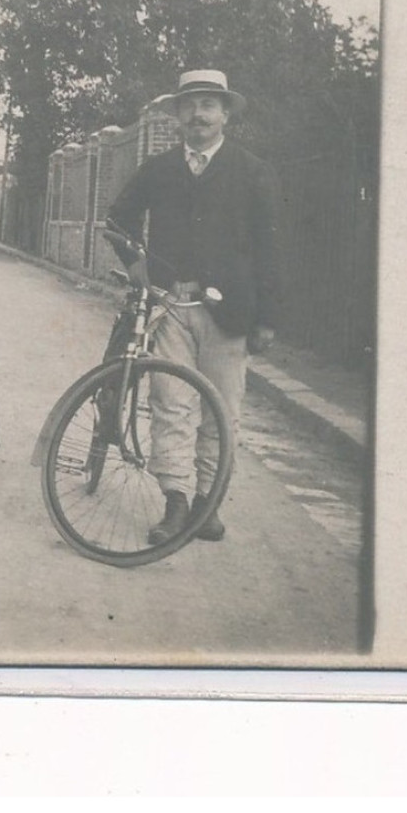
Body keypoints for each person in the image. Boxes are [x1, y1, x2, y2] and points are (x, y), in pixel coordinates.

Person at [104, 69, 281, 543]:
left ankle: (209, 501)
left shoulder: (251, 170)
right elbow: (117, 220)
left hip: (230, 312)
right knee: (171, 404)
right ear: (177, 115)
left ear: (225, 114)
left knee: (222, 408)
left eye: (209, 105)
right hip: (170, 305)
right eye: (190, 106)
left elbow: (270, 247)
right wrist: (136, 262)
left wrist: (267, 317)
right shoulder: (159, 169)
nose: (199, 115)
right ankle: (176, 503)